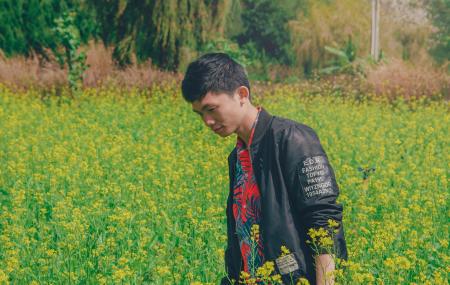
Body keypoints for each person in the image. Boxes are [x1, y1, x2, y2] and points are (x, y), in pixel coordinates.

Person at [181, 53, 348, 285]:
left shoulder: (293, 139)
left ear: (241, 95)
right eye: (200, 114)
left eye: (212, 109)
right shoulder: (237, 156)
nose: (207, 121)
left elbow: (323, 220)